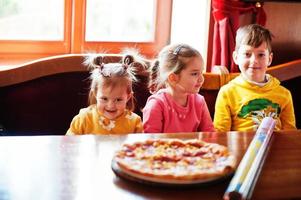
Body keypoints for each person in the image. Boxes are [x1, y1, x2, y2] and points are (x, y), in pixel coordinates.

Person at [214, 24, 296, 131]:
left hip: (275, 146)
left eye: (261, 55)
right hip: (240, 147)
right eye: (247, 54)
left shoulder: (284, 94)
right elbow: (220, 133)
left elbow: (290, 134)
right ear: (236, 57)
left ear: (269, 59)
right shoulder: (227, 92)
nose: (254, 60)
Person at [143, 44, 215, 133]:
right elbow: (150, 142)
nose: (201, 79)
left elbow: (209, 135)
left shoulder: (199, 101)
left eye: (201, 72)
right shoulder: (157, 105)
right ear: (173, 78)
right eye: (194, 74)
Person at [66, 54, 145, 135]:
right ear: (96, 93)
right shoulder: (84, 118)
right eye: (104, 99)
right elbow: (69, 144)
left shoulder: (134, 122)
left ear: (128, 96)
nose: (110, 105)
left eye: (118, 100)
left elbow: (140, 146)